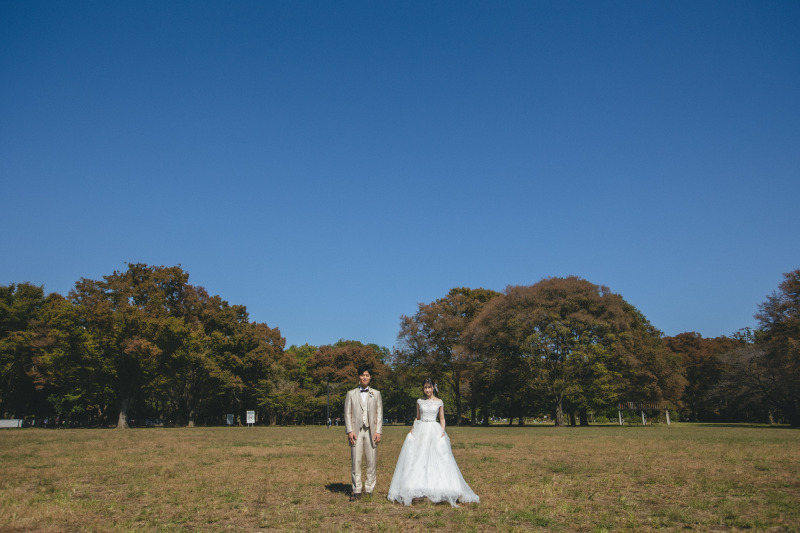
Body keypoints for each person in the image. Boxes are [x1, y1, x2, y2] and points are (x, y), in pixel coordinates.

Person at [387, 378, 479, 507]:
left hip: (434, 430)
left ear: (433, 388)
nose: (427, 390)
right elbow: (418, 417)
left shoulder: (439, 402)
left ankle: (443, 487)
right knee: (420, 459)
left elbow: (442, 418)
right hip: (422, 430)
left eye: (429, 387)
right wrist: (413, 428)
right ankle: (419, 487)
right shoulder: (419, 401)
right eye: (425, 387)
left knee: (439, 458)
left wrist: (442, 431)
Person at [344, 365, 383, 501]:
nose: (365, 377)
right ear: (359, 377)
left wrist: (378, 431)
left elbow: (379, 413)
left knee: (371, 460)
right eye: (362, 375)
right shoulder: (351, 394)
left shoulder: (376, 394)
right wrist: (349, 431)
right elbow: (347, 414)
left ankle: (369, 488)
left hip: (371, 431)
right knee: (356, 460)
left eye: (367, 375)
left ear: (370, 377)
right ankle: (356, 490)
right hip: (356, 431)